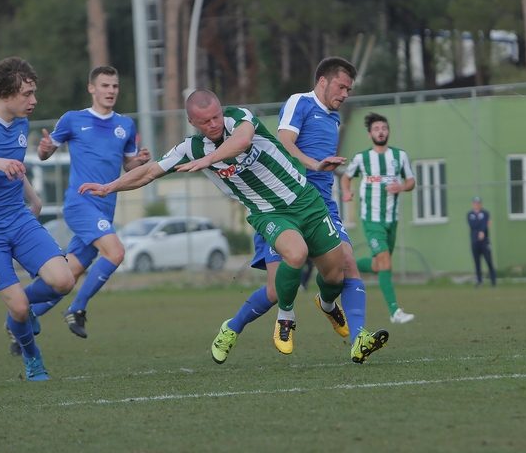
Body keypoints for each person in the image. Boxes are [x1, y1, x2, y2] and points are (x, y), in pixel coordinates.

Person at [78, 89, 388, 364]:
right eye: (205, 121)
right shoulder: (190, 148)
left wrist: (208, 159)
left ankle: (327, 302)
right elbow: (148, 172)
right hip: (269, 214)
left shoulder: (239, 118)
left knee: (336, 274)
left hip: (306, 201)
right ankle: (288, 319)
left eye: (216, 116)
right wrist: (110, 187)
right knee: (294, 257)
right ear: (193, 123)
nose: (213, 124)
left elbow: (242, 141)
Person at [211, 57, 391, 365]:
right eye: (341, 86)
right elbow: (284, 144)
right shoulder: (301, 103)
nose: (345, 94)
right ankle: (231, 327)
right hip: (281, 205)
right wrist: (315, 164)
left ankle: (356, 335)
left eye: (349, 89)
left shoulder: (334, 119)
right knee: (274, 290)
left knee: (347, 263)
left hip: (320, 205)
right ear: (322, 81)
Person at [0, 57, 75, 380]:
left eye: (34, 93)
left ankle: (16, 318)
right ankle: (32, 357)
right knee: (20, 307)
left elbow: (14, 167)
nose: (33, 101)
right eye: (27, 94)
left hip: (18, 220)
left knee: (63, 281)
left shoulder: (22, 124)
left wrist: (33, 197)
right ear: (4, 92)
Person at [21, 66, 151, 339]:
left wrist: (138, 162)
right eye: (104, 86)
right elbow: (46, 153)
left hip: (106, 207)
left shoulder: (125, 125)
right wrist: (44, 149)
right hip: (80, 203)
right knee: (115, 253)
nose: (110, 91)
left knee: (69, 275)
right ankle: (76, 309)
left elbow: (129, 166)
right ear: (92, 88)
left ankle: (23, 311)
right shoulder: (73, 119)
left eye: (114, 86)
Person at [341, 112, 416, 321]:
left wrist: (401, 186)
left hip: (392, 219)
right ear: (369, 134)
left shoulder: (399, 156)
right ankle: (395, 311)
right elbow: (346, 178)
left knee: (379, 265)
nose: (380, 132)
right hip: (371, 220)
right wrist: (347, 192)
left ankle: (345, 266)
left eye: (383, 128)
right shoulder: (361, 158)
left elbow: (411, 181)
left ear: (388, 131)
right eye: (376, 129)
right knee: (385, 262)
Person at [465, 196, 497, 287]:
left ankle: (493, 281)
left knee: (489, 260)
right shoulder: (470, 214)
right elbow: (473, 225)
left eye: (478, 203)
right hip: (474, 241)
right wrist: (480, 228)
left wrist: (482, 231)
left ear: (481, 204)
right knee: (477, 262)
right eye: (475, 203)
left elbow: (485, 224)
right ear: (472, 204)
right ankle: (479, 281)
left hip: (484, 241)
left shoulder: (485, 213)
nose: (476, 205)